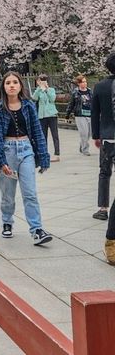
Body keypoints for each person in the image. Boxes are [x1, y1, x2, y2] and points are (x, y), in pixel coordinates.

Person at [0, 72, 52, 245]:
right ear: (3, 86)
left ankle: (37, 229)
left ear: (20, 85)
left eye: (15, 82)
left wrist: (43, 156)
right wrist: (1, 161)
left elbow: (38, 132)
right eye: (8, 82)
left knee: (30, 193)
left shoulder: (28, 106)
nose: (12, 85)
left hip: (26, 150)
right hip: (7, 150)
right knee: (8, 194)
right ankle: (7, 222)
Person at [91, 52, 115, 264]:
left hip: (108, 138)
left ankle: (102, 207)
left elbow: (94, 112)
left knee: (104, 172)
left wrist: (96, 135)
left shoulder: (99, 86)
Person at [32, 74, 60, 162]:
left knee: (55, 135)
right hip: (42, 116)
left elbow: (52, 99)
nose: (42, 82)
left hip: (52, 115)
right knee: (43, 136)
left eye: (43, 80)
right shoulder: (38, 91)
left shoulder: (51, 89)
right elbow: (34, 98)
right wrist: (39, 88)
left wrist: (47, 89)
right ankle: (44, 153)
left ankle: (57, 154)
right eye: (40, 80)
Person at [65, 75, 92, 156]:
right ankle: (85, 150)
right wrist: (67, 115)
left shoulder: (90, 91)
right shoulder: (75, 93)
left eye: (85, 81)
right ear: (79, 83)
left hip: (90, 114)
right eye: (83, 82)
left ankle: (82, 144)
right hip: (80, 115)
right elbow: (71, 104)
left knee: (89, 133)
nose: (85, 83)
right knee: (84, 133)